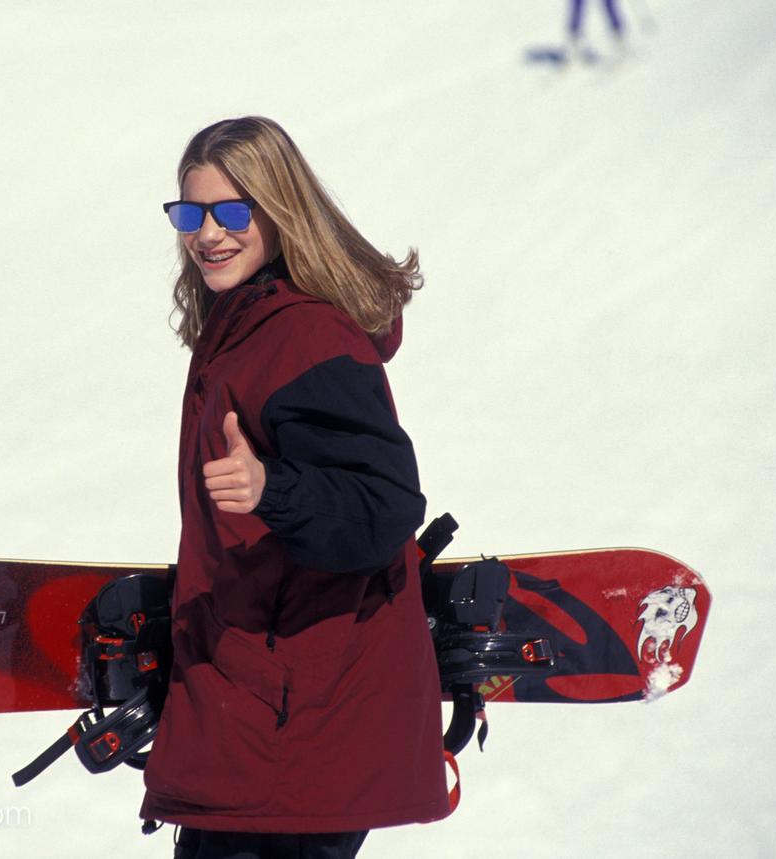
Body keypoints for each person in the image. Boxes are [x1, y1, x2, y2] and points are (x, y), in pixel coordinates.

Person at [140, 116, 452, 858]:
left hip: (300, 730)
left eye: (233, 212)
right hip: (266, 721)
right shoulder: (244, 327)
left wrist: (271, 486)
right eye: (192, 212)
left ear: (279, 210)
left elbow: (385, 506)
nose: (208, 233)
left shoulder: (305, 336)